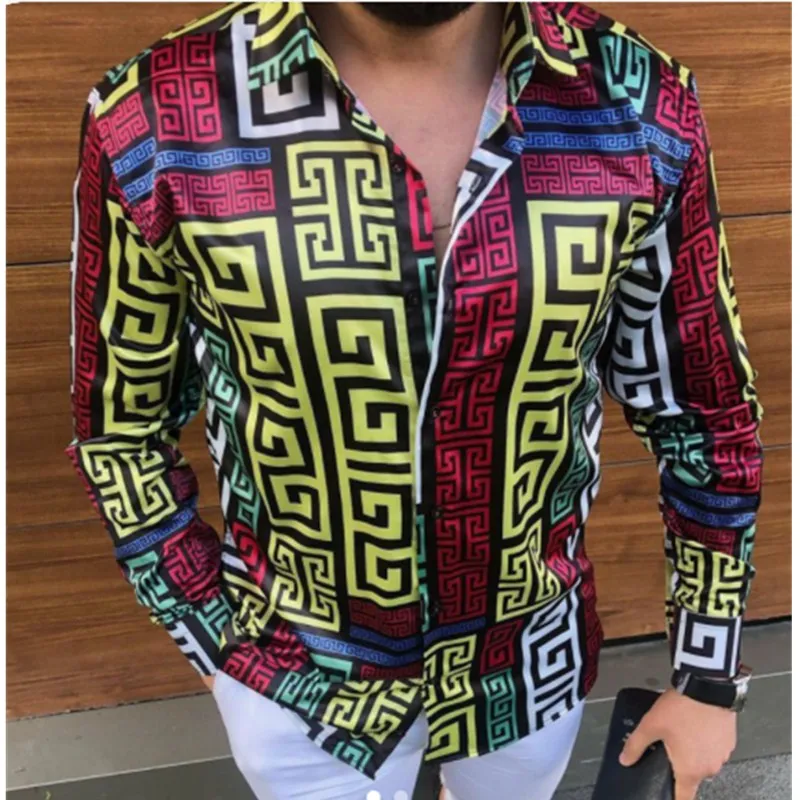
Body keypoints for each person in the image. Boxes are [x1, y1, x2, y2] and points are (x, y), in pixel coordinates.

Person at [65, 2, 764, 799]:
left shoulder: (640, 105)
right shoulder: (153, 116)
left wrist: (707, 673)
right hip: (295, 681)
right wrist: (213, 635)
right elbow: (119, 430)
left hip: (524, 670)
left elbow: (706, 417)